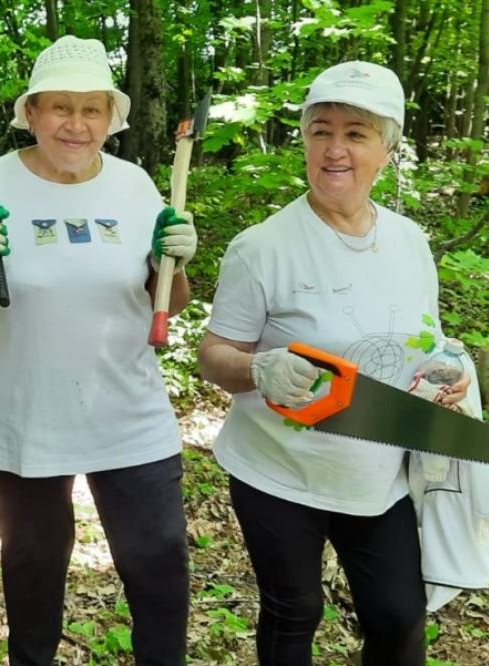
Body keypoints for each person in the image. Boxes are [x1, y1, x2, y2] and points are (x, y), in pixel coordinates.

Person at [0, 35, 198, 666]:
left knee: (158, 566)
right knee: (33, 571)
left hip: (130, 414)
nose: (76, 124)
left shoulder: (135, 186)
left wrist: (170, 263)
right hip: (30, 415)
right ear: (32, 114)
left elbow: (169, 301)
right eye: (59, 108)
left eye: (92, 109)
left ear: (111, 117)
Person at [197, 61, 473, 666]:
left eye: (356, 133)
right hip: (279, 469)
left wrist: (454, 366)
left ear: (388, 148)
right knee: (295, 612)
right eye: (321, 130)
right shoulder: (262, 247)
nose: (335, 149)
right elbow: (213, 357)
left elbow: (431, 340)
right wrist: (260, 368)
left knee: (400, 617)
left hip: (377, 472)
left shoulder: (410, 242)